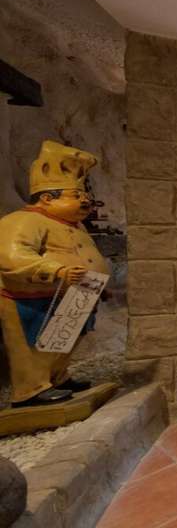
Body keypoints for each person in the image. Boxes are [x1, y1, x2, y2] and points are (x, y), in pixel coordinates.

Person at [0, 141, 110, 406]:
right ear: (48, 198)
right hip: (33, 297)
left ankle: (58, 377)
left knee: (64, 339)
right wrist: (57, 270)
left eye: (84, 196)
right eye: (76, 195)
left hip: (75, 294)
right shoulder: (23, 221)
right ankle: (31, 389)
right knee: (34, 344)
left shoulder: (74, 225)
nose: (85, 200)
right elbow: (11, 256)